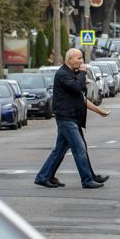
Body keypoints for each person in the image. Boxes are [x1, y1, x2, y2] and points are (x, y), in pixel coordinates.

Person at [35, 48, 109, 189]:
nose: (81, 61)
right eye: (78, 58)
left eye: (82, 58)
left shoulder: (72, 74)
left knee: (60, 151)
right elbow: (77, 87)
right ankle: (87, 180)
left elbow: (81, 97)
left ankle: (43, 177)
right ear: (69, 60)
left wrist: (99, 110)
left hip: (73, 118)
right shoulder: (63, 74)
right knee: (79, 148)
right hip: (66, 118)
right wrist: (82, 73)